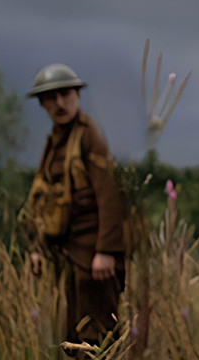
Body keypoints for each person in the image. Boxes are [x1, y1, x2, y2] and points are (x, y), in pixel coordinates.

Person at [22, 63, 127, 349]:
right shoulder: (55, 141)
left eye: (65, 94)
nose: (59, 103)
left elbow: (109, 193)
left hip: (93, 254)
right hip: (67, 253)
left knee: (99, 335)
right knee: (71, 335)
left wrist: (106, 250)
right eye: (50, 97)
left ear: (77, 95)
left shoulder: (89, 134)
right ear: (42, 103)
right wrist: (38, 248)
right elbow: (45, 200)